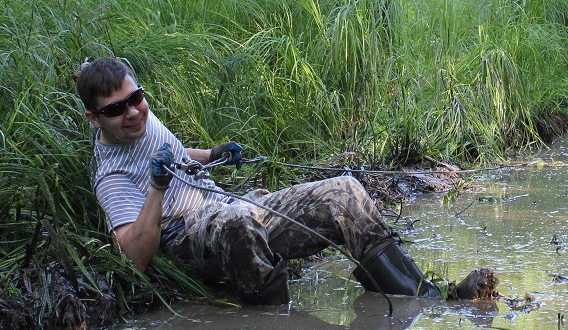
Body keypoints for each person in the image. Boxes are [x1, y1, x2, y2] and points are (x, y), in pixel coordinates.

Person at [77, 57, 444, 304]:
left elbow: (172, 151)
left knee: (344, 192)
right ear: (95, 118)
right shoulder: (110, 176)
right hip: (184, 238)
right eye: (115, 109)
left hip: (225, 208)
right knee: (238, 222)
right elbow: (134, 257)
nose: (132, 112)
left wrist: (212, 154)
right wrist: (157, 188)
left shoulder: (141, 117)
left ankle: (418, 296)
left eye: (136, 98)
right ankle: (275, 324)